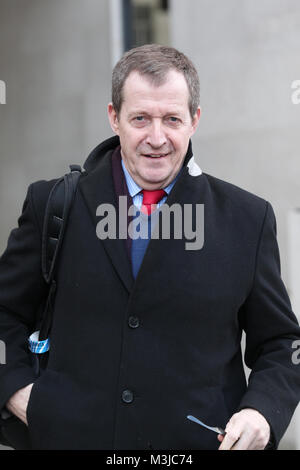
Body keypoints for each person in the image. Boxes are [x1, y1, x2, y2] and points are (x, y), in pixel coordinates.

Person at [0, 44, 300, 451]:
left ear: (194, 120)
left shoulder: (248, 219)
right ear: (114, 118)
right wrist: (16, 389)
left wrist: (262, 410)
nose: (156, 138)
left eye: (172, 119)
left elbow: (284, 345)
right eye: (140, 118)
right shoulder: (51, 205)